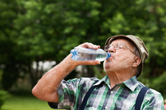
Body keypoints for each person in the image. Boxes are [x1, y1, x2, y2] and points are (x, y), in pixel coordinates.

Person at [32, 35, 165, 110]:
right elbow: (41, 92)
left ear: (136, 61)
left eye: (119, 47)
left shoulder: (149, 98)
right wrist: (72, 60)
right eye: (109, 47)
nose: (110, 50)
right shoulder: (83, 86)